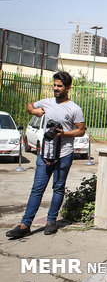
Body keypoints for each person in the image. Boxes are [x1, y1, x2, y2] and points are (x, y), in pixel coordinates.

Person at [5, 71, 85, 238]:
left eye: (59, 86)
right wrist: (34, 112)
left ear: (68, 88)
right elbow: (29, 105)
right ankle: (25, 224)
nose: (55, 88)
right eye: (54, 85)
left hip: (64, 154)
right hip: (45, 153)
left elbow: (81, 131)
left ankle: (51, 221)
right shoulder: (47, 102)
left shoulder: (74, 108)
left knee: (58, 188)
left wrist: (63, 133)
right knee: (37, 189)